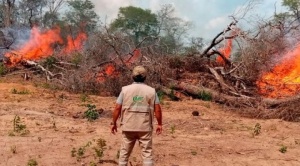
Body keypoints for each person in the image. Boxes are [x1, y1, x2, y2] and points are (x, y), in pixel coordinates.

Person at [111, 65, 162, 166]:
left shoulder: (125, 90)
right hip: (145, 127)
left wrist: (114, 123)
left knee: (124, 152)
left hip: (128, 126)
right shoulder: (151, 91)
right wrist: (159, 124)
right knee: (147, 153)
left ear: (132, 76)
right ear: (145, 77)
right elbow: (158, 109)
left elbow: (117, 108)